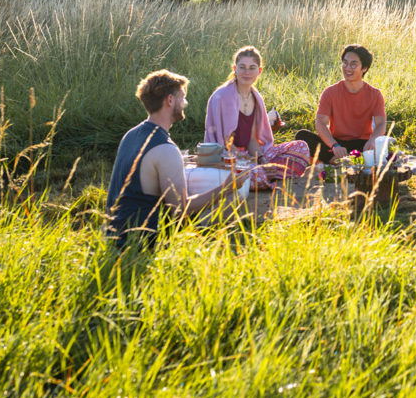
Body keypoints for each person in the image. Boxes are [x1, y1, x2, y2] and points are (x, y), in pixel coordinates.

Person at [105, 69, 252, 248]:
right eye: (182, 97)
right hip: (142, 242)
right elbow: (180, 209)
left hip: (114, 234)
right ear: (170, 100)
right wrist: (225, 188)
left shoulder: (131, 135)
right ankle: (200, 243)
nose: (185, 103)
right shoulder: (166, 149)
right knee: (233, 195)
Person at [204, 46, 310, 189]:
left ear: (259, 71)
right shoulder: (222, 96)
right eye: (242, 67)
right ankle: (261, 176)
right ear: (235, 68)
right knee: (250, 172)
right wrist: (247, 161)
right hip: (228, 157)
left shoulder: (256, 97)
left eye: (252, 68)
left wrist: (262, 160)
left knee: (301, 147)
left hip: (249, 156)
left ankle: (264, 174)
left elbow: (253, 140)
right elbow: (225, 143)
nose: (247, 72)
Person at [295, 44, 387, 164]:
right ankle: (340, 159)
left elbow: (381, 124)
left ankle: (338, 161)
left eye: (353, 64)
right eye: (345, 63)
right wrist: (334, 145)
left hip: (361, 144)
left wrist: (372, 141)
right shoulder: (330, 92)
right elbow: (320, 123)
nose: (347, 68)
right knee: (302, 136)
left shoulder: (375, 94)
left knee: (382, 144)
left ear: (364, 68)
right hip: (336, 144)